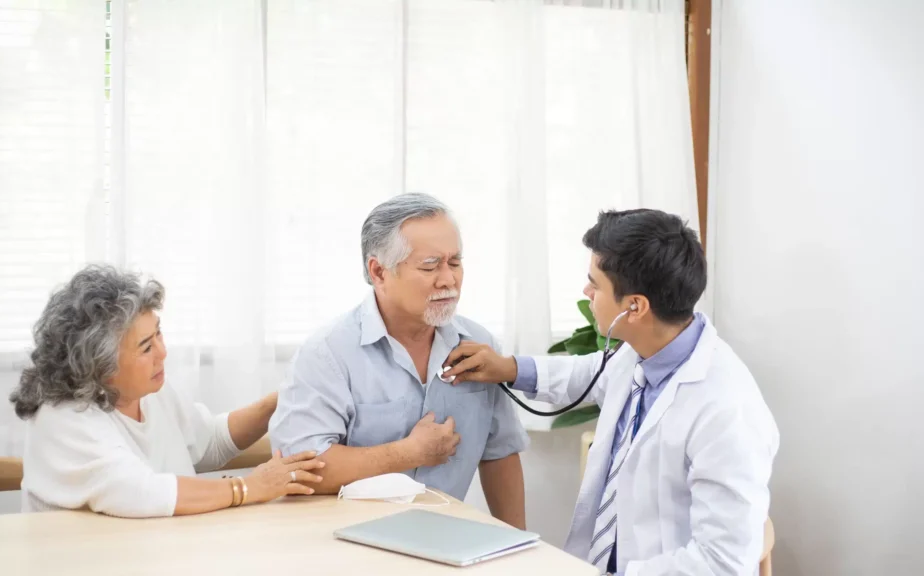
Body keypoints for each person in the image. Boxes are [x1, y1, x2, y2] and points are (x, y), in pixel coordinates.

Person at [442, 209, 779, 575]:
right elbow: (590, 374)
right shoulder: (647, 350)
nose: (586, 293)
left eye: (595, 285)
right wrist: (508, 368)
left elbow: (723, 563)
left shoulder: (726, 411)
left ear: (635, 306)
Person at [269, 193, 529, 528]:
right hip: (346, 545)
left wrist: (519, 545)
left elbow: (501, 453)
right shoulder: (327, 353)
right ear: (378, 272)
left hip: (447, 541)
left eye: (455, 263)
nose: (448, 280)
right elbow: (300, 470)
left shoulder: (479, 347)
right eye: (430, 265)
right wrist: (408, 453)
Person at [10, 265, 324, 518]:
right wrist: (250, 487)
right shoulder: (62, 416)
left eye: (158, 334)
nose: (163, 352)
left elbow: (208, 441)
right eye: (146, 347)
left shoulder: (149, 388)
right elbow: (140, 492)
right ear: (99, 364)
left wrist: (279, 401)